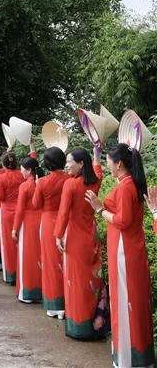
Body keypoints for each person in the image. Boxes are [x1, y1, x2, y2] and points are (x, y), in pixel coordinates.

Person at [85, 144, 154, 367]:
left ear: (119, 164)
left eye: (108, 161)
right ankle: (135, 355)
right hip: (128, 246)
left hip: (124, 249)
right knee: (130, 298)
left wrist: (98, 209)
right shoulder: (128, 183)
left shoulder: (126, 187)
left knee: (125, 299)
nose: (107, 166)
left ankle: (128, 357)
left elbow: (123, 221)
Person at [54, 147, 107, 340]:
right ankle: (95, 325)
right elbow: (98, 170)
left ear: (81, 163)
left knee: (75, 281)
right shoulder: (95, 182)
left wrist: (58, 235)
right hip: (92, 235)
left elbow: (64, 212)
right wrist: (97, 153)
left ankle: (79, 327)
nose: (67, 165)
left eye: (70, 161)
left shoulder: (71, 185)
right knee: (92, 279)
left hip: (75, 237)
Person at [32, 147, 69, 319]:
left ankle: (55, 305)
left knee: (51, 263)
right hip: (67, 223)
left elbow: (35, 204)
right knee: (66, 262)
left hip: (48, 223)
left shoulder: (43, 182)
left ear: (47, 164)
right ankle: (68, 303)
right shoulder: (71, 179)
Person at [12, 157, 43, 303]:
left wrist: (15, 228)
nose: (21, 171)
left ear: (29, 170)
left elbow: (20, 209)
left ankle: (28, 292)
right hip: (43, 222)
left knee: (27, 257)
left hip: (29, 223)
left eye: (23, 168)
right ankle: (42, 290)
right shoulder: (43, 182)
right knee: (40, 256)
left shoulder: (25, 186)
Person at [0, 151, 23, 285]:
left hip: (7, 212)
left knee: (8, 244)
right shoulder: (22, 175)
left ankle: (11, 274)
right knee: (21, 242)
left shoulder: (2, 178)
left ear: (3, 164)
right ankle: (22, 271)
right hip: (21, 211)